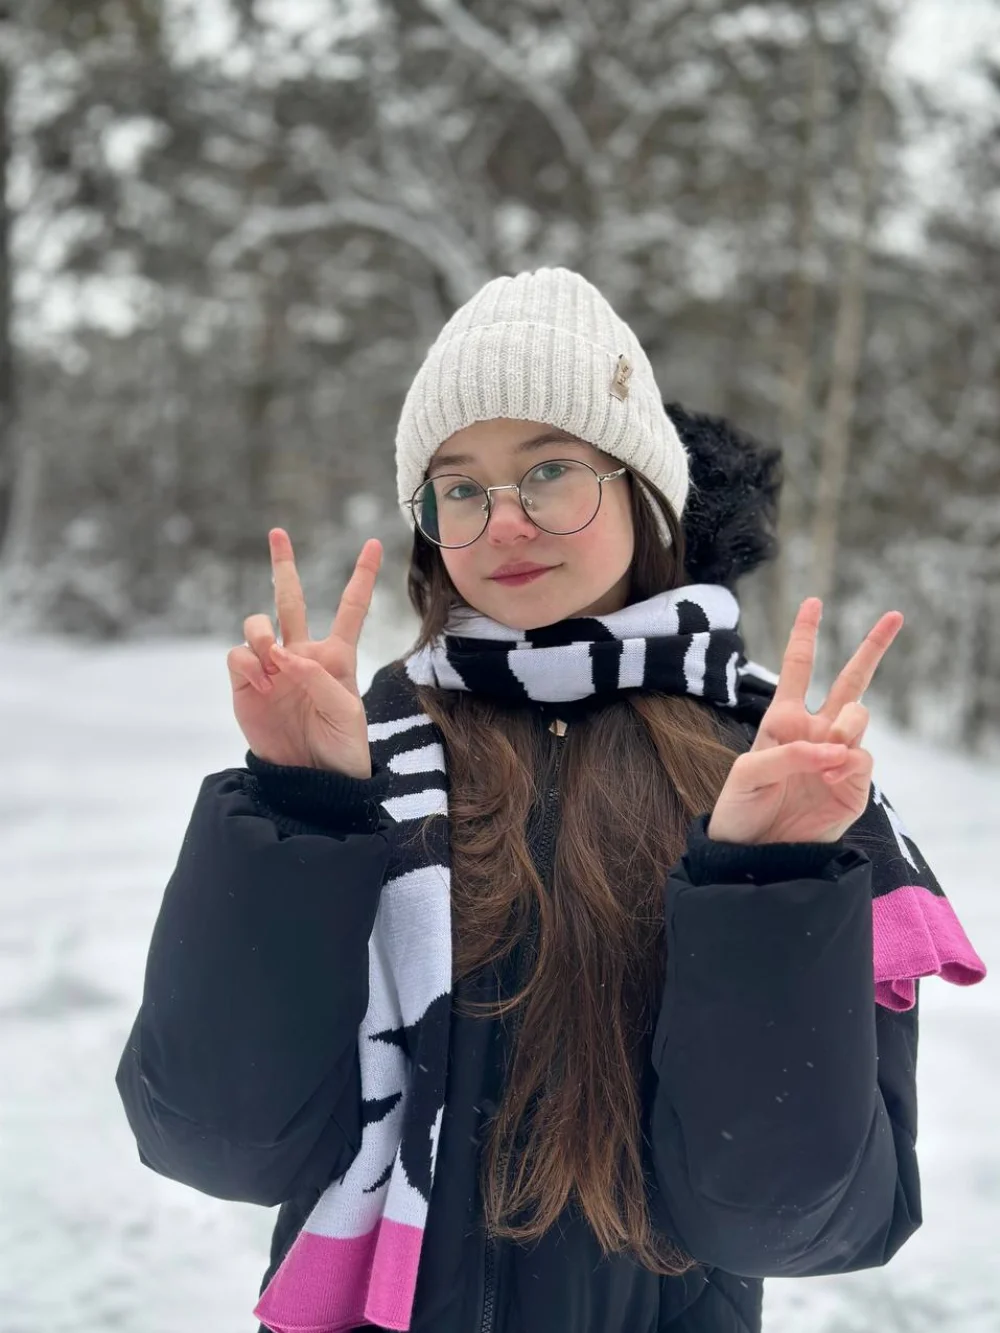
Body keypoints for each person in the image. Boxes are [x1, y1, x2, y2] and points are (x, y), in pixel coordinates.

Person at [116, 268, 985, 1333]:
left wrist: (768, 880)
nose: (505, 524)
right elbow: (218, 1140)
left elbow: (795, 1220)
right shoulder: (362, 747)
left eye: (550, 472)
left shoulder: (770, 767)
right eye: (461, 488)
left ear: (642, 489)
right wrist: (297, 808)